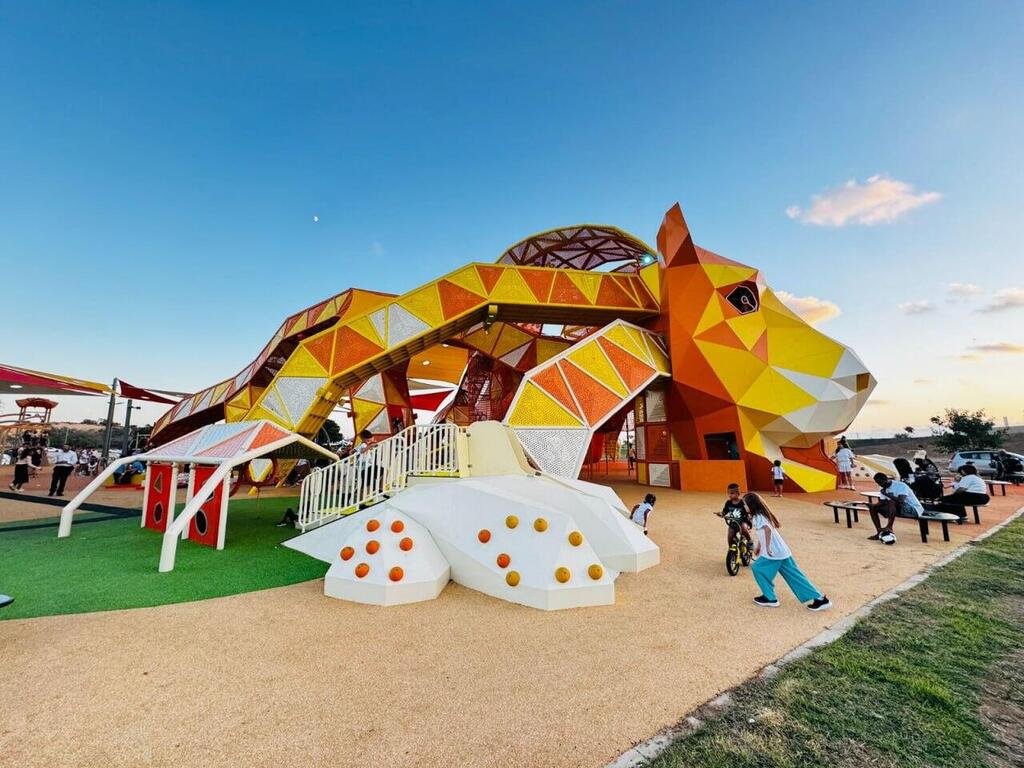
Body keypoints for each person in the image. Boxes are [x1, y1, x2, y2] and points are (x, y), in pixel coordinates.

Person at [745, 492, 831, 611]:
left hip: (774, 552)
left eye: (745, 504)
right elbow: (763, 532)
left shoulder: (758, 516)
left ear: (751, 504)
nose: (745, 507)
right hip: (781, 551)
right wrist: (760, 545)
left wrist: (768, 547)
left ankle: (770, 598)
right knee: (795, 576)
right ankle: (820, 599)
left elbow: (768, 529)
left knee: (757, 568)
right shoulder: (760, 515)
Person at [869, 472, 925, 544]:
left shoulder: (901, 485)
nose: (880, 484)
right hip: (898, 508)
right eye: (877, 483)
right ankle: (879, 533)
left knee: (892, 501)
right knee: (873, 508)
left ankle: (889, 527)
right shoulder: (883, 488)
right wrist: (873, 505)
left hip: (914, 509)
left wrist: (886, 494)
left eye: (880, 482)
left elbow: (900, 500)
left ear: (886, 479)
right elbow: (882, 502)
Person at [924, 464, 988, 520]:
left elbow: (961, 489)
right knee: (955, 499)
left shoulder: (967, 477)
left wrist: (952, 495)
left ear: (964, 471)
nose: (960, 473)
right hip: (983, 497)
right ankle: (961, 515)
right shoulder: (977, 478)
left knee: (946, 499)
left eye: (961, 472)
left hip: (973, 496)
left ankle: (955, 515)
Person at [716, 482, 753, 550]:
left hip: (743, 522)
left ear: (738, 493)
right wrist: (721, 514)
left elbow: (748, 511)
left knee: (744, 529)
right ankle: (732, 550)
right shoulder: (728, 503)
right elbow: (724, 511)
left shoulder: (742, 502)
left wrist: (749, 515)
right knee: (730, 536)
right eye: (729, 493)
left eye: (732, 493)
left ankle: (750, 541)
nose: (730, 495)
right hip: (733, 523)